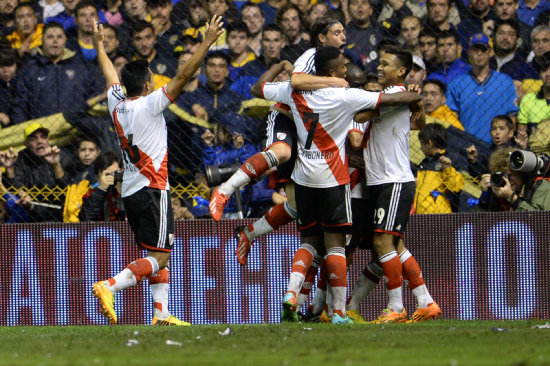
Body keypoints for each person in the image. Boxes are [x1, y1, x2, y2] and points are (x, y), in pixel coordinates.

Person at [251, 46, 423, 324]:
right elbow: (386, 107)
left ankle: (298, 297)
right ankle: (338, 311)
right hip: (336, 179)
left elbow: (258, 88)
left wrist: (277, 66)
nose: (346, 68)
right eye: (342, 66)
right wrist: (414, 94)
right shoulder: (347, 96)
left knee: (311, 242)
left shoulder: (294, 92)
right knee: (337, 247)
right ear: (333, 72)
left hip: (304, 177)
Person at [90, 15, 223, 326]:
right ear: (148, 85)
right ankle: (109, 286)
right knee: (160, 256)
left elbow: (109, 73)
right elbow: (183, 74)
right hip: (153, 189)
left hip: (132, 192)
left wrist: (99, 46)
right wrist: (207, 42)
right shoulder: (151, 104)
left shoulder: (116, 103)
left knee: (157, 251)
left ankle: (161, 313)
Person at [209, 16, 349, 264]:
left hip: (311, 135)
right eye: (337, 32)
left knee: (296, 207)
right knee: (282, 152)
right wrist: (333, 81)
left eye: (343, 32)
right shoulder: (312, 56)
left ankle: (248, 233)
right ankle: (225, 190)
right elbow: (295, 81)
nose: (344, 37)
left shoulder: (340, 64)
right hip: (286, 119)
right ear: (322, 38)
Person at [360, 45, 440, 323]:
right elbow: (417, 124)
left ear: (401, 71)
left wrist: (408, 100)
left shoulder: (393, 95)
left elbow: (359, 116)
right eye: (379, 62)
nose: (379, 67)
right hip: (386, 181)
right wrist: (414, 102)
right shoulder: (398, 97)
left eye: (386, 64)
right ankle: (426, 301)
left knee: (382, 242)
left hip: (393, 181)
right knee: (395, 246)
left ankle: (395, 306)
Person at [11, 21, 100, 124]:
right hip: (41, 134)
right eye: (50, 37)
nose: (55, 41)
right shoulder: (30, 68)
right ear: (42, 40)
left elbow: (92, 97)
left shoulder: (79, 66)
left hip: (75, 130)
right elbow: (20, 106)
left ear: (65, 40)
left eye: (59, 37)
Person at [446, 33, 518, 144]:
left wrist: (506, 141)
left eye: (483, 50)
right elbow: (452, 117)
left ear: (491, 52)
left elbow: (512, 116)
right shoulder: (457, 84)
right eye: (475, 50)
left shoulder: (504, 81)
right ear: (469, 52)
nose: (479, 54)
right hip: (469, 144)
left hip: (499, 144)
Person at [2, 123, 76, 222]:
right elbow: (15, 188)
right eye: (33, 139)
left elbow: (68, 190)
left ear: (48, 140)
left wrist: (56, 164)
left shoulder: (62, 155)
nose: (40, 141)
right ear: (26, 144)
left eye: (43, 137)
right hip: (30, 213)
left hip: (60, 213)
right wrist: (9, 168)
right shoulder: (20, 159)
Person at [414, 123, 465, 214]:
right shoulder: (424, 163)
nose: (421, 148)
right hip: (420, 215)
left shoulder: (451, 159)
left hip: (440, 216)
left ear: (429, 142)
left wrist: (447, 168)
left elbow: (457, 187)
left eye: (422, 143)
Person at [79, 150, 125, 221]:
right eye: (107, 174)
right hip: (102, 231)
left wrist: (123, 192)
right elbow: (86, 221)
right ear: (97, 175)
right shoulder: (91, 195)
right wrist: (101, 190)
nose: (111, 178)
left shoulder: (131, 191)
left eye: (115, 173)